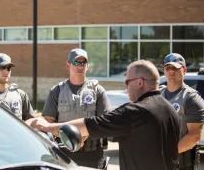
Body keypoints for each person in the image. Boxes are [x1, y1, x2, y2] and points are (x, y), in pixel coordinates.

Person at [33, 60, 180, 170]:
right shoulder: (170, 110)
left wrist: (49, 127)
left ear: (140, 82)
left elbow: (92, 124)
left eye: (127, 82)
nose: (126, 87)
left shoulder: (135, 112)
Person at [41, 48, 111, 169]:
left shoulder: (97, 91)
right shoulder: (57, 91)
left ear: (88, 65)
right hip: (64, 154)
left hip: (92, 155)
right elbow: (48, 121)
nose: (80, 66)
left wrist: (83, 136)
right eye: (76, 62)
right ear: (68, 65)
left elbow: (104, 122)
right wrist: (68, 138)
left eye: (83, 63)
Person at [161, 53, 204, 170]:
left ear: (184, 70)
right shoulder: (158, 95)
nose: (171, 71)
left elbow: (194, 135)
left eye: (175, 68)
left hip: (183, 164)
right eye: (168, 68)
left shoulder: (191, 98)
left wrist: (168, 153)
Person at [0, 53, 37, 125]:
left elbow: (31, 121)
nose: (6, 71)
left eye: (8, 68)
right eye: (2, 67)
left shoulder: (20, 95)